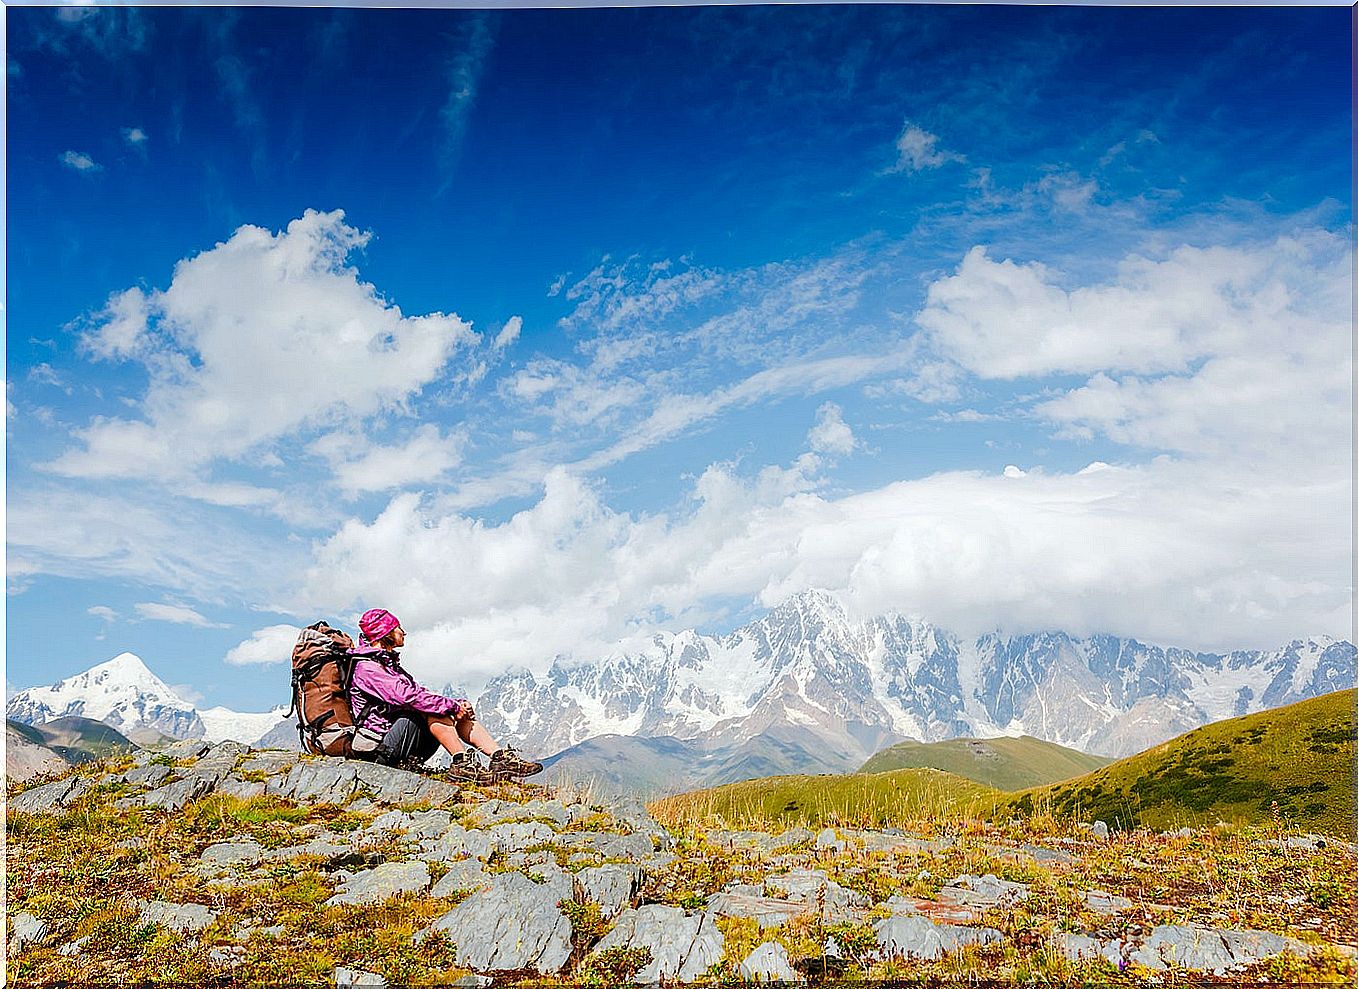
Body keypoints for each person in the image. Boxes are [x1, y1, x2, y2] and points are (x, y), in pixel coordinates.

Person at [347, 608, 543, 783]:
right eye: (398, 628)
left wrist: (457, 706)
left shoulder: (387, 665)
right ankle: (461, 764)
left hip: (398, 742)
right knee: (434, 710)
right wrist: (450, 706)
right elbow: (408, 697)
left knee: (447, 709)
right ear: (385, 633)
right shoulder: (367, 668)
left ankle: (500, 758)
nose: (403, 632)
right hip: (379, 750)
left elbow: (417, 694)